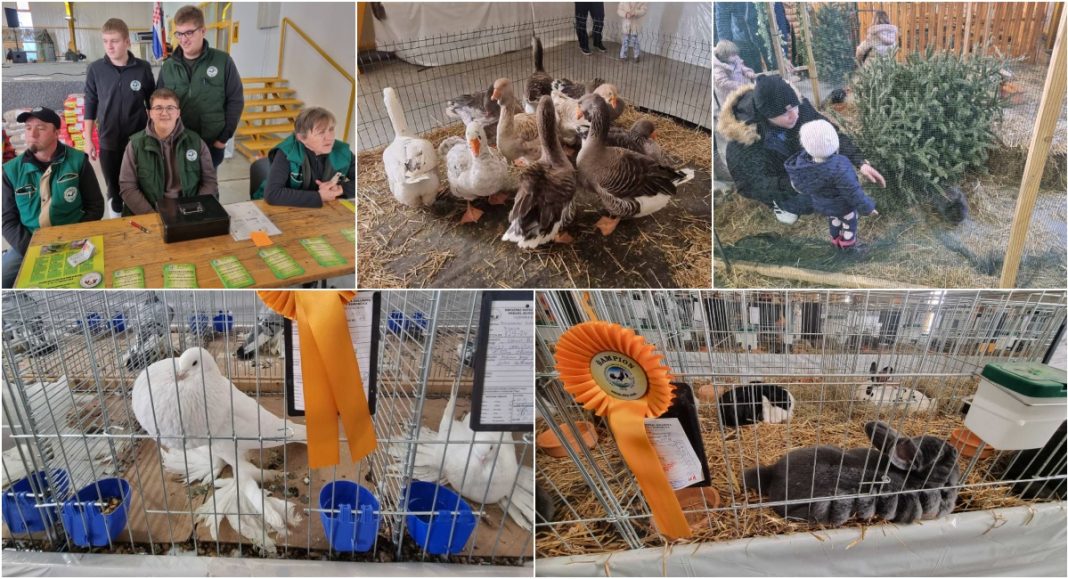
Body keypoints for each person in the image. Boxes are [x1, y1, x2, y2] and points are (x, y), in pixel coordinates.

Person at [715, 75, 885, 224]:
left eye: (794, 107)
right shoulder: (745, 141)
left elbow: (828, 135)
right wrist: (794, 184)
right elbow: (752, 185)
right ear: (766, 115)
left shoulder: (799, 108)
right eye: (784, 113)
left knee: (838, 180)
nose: (794, 115)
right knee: (809, 202)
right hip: (782, 180)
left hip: (803, 162)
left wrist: (860, 162)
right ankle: (779, 206)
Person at [2, 107, 104, 288]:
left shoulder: (78, 161)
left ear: (56, 132)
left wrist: (76, 236)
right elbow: (7, 220)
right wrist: (31, 249)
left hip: (74, 239)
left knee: (95, 279)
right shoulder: (10, 171)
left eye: (40, 128)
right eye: (27, 128)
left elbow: (95, 206)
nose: (32, 134)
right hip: (30, 241)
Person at [156, 4, 243, 169]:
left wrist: (223, 139)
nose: (183, 39)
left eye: (189, 32)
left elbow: (235, 100)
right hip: (177, 143)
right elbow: (159, 104)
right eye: (179, 33)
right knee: (178, 189)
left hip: (211, 144)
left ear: (203, 31)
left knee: (208, 190)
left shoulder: (223, 62)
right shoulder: (168, 66)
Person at [84, 18, 156, 215]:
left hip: (139, 139)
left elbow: (152, 103)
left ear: (127, 42)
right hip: (109, 140)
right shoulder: (95, 69)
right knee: (114, 188)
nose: (109, 46)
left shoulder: (143, 68)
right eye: (105, 41)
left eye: (114, 41)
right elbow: (90, 105)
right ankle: (116, 220)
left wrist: (155, 133)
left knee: (140, 184)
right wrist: (88, 139)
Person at [118, 88, 217, 215]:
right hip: (150, 211)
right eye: (158, 108)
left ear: (178, 113)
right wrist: (151, 215)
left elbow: (209, 181)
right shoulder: (135, 145)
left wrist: (193, 210)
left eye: (170, 108)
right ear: (150, 113)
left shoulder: (196, 142)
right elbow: (128, 187)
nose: (164, 113)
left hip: (189, 210)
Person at [785, 120, 878, 251]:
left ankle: (835, 240)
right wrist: (868, 207)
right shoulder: (840, 165)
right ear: (834, 142)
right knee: (849, 222)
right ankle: (848, 245)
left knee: (834, 219)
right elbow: (852, 191)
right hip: (843, 206)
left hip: (822, 205)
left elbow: (798, 186)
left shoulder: (801, 164)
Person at [255, 107, 354, 208]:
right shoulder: (287, 152)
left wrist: (341, 189)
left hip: (322, 210)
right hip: (282, 208)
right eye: (320, 132)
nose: (329, 137)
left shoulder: (343, 151)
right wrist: (319, 196)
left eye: (331, 129)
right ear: (302, 138)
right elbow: (272, 194)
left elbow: (363, 180)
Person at [713, 39, 757, 107]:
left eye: (735, 53)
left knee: (746, 103)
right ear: (724, 56)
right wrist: (739, 85)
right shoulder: (719, 68)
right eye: (733, 55)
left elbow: (742, 67)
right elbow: (722, 82)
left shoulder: (735, 59)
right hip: (730, 95)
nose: (736, 56)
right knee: (735, 107)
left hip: (742, 89)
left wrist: (747, 72)